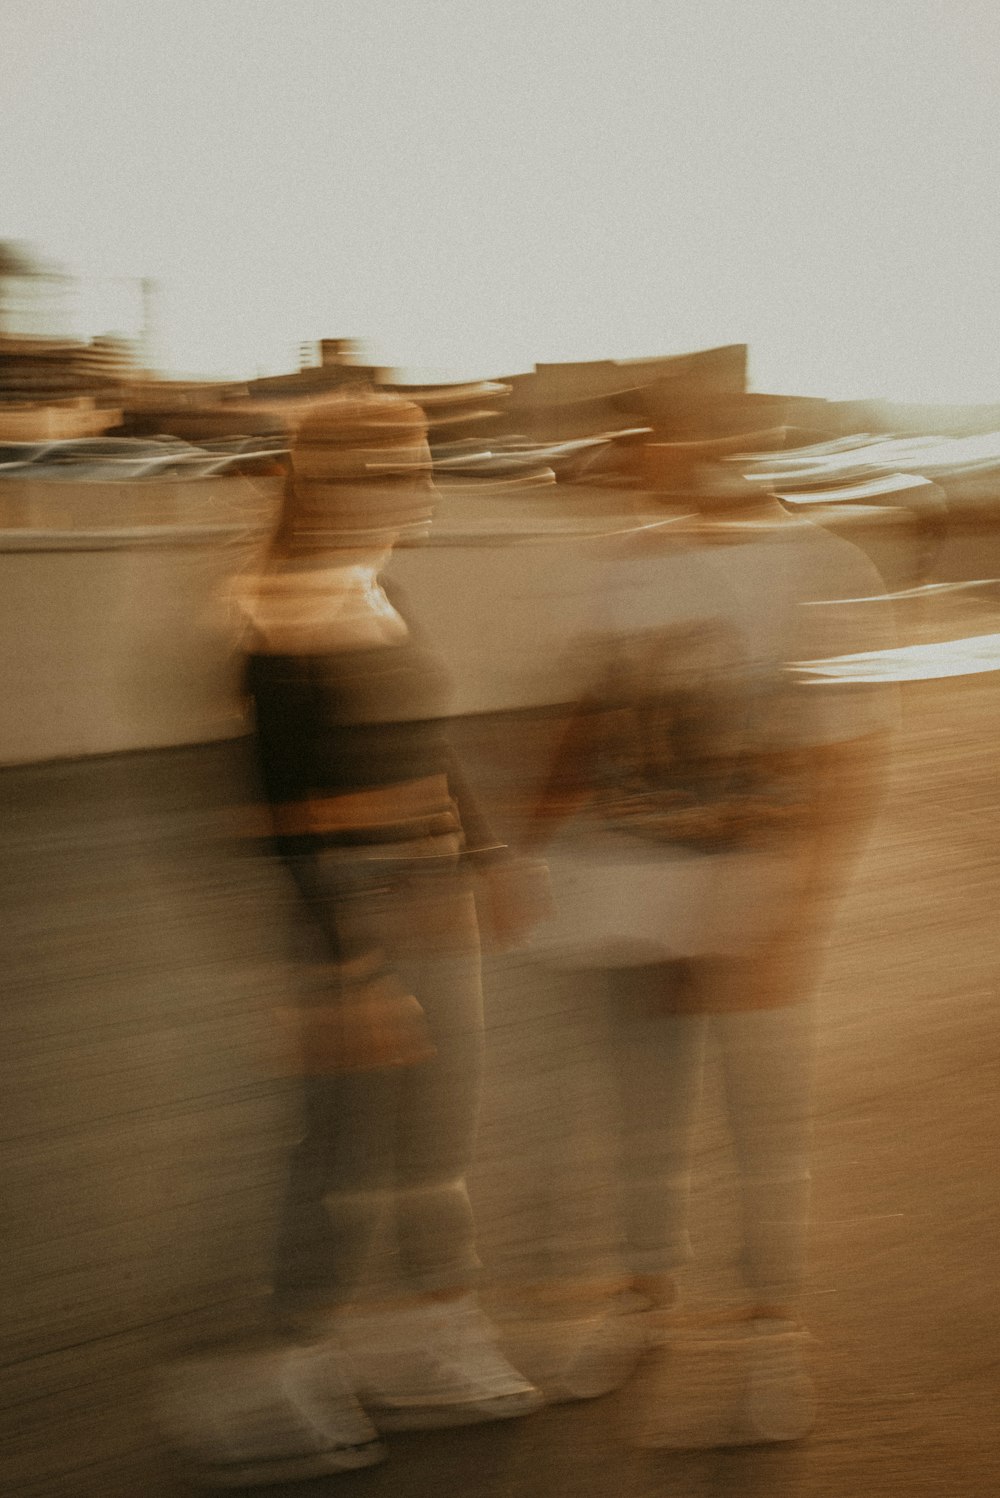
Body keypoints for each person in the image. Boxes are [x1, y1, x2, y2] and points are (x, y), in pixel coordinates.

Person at [158, 390, 543, 1488]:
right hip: (355, 908)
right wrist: (345, 973)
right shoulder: (271, 612)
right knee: (335, 1148)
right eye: (400, 468)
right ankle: (279, 1364)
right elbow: (276, 819)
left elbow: (428, 742)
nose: (423, 487)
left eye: (422, 465)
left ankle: (434, 1328)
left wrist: (486, 856)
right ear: (328, 479)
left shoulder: (379, 589)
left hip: (432, 895)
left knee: (437, 1134)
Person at [520, 452, 894, 1442]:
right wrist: (524, 848)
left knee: (761, 1130)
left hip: (750, 895)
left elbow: (851, 753)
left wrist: (800, 917)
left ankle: (773, 1342)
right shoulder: (623, 562)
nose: (677, 459)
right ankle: (644, 1300)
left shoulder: (823, 563)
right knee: (643, 1116)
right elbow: (588, 717)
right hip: (631, 888)